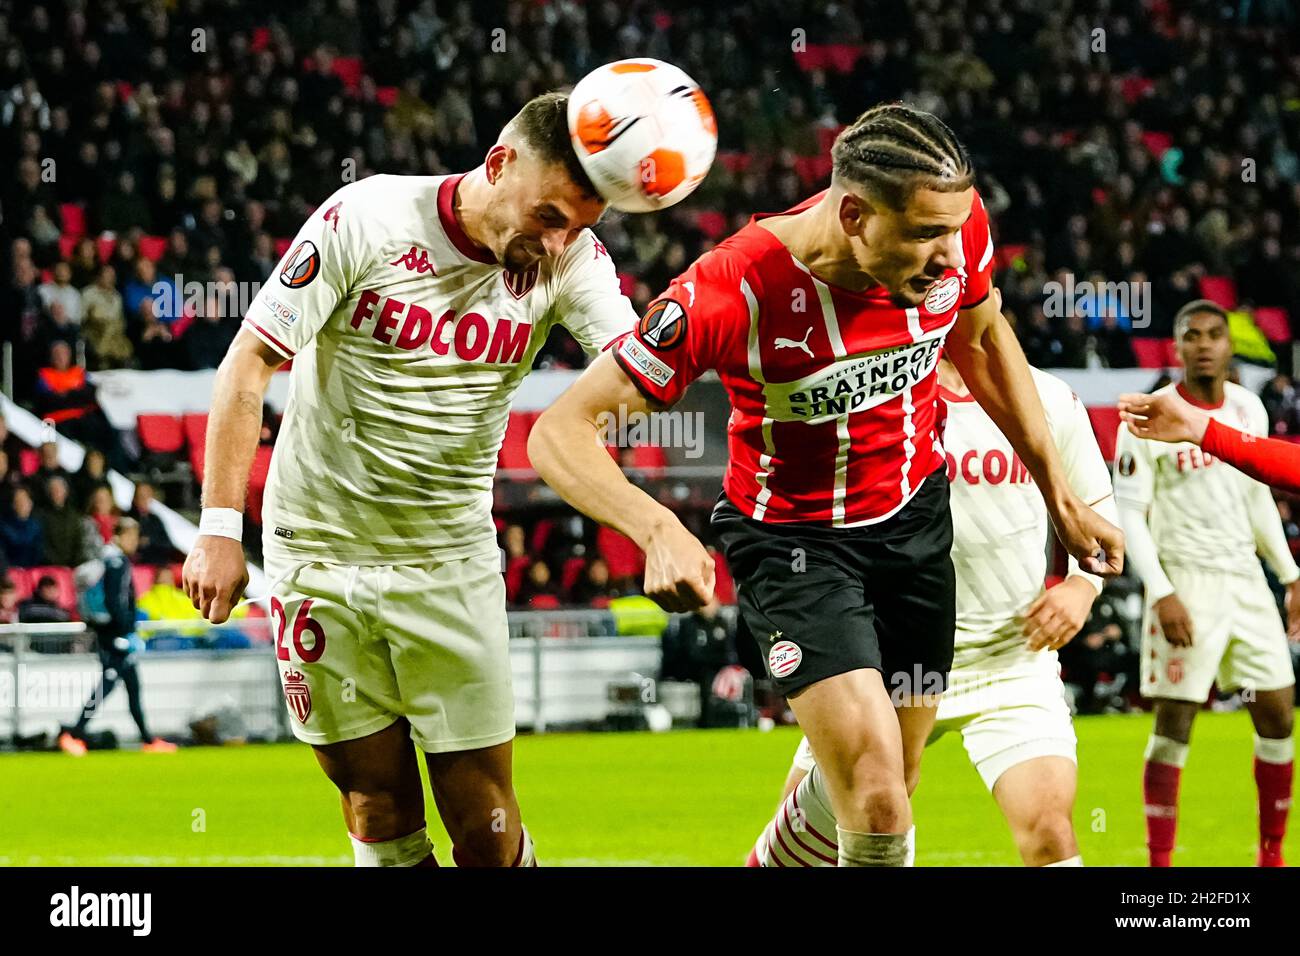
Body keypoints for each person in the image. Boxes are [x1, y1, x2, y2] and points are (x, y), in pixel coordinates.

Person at [528, 103, 1123, 867]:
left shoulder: (955, 230)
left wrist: (1061, 498)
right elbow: (560, 432)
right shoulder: (731, 288)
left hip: (914, 525)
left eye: (954, 231)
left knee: (890, 782)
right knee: (877, 800)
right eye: (924, 236)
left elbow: (980, 335)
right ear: (853, 214)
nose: (949, 256)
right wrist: (655, 528)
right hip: (796, 546)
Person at [183, 91, 636, 868]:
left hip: (449, 560)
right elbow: (250, 360)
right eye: (550, 215)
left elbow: (634, 361)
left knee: (482, 823)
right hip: (316, 554)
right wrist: (221, 529)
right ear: (498, 165)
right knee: (375, 804)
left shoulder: (571, 263)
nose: (560, 239)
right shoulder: (368, 218)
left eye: (582, 225)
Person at [750, 353, 1117, 866]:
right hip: (892, 662)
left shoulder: (1049, 398)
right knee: (824, 837)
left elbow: (1098, 510)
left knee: (1050, 832)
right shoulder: (879, 395)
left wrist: (1082, 588)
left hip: (1010, 662)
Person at [1112, 299, 1299, 868]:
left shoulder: (1247, 408)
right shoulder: (1149, 416)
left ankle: (1270, 856)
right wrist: (1162, 591)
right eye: (1191, 334)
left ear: (1227, 344)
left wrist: (1290, 573)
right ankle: (1160, 865)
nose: (1203, 344)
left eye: (1214, 334)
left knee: (1277, 714)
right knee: (1175, 723)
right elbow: (1128, 514)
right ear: (1176, 346)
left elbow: (1258, 495)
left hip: (1245, 578)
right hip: (1185, 581)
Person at [59, 518, 177, 756]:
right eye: (131, 536)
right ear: (120, 536)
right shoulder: (115, 562)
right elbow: (116, 600)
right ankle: (74, 733)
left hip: (112, 632)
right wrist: (125, 630)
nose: (134, 542)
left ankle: (147, 739)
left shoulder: (108, 560)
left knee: (132, 686)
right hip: (114, 635)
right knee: (107, 687)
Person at [1119, 387, 1300, 497]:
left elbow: (1259, 498)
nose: (1204, 345)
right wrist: (1199, 428)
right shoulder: (1152, 413)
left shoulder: (1249, 404)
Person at [39, 475, 86, 566]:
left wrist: (74, 564)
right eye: (53, 490)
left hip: (73, 566)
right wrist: (58, 564)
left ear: (66, 492)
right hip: (51, 566)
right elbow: (43, 545)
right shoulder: (42, 516)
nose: (56, 493)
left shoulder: (74, 516)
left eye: (59, 490)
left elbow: (79, 543)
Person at [129, 481, 180, 565]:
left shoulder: (155, 520)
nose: (144, 499)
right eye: (141, 496)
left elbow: (168, 544)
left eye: (147, 496)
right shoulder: (128, 518)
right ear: (135, 498)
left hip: (157, 563)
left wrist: (150, 541)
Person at [1, 486, 44, 567]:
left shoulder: (36, 526)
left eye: (25, 500)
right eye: (19, 500)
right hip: (10, 572)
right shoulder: (4, 527)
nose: (22, 503)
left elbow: (38, 553)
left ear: (31, 503)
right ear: (13, 504)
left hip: (31, 571)